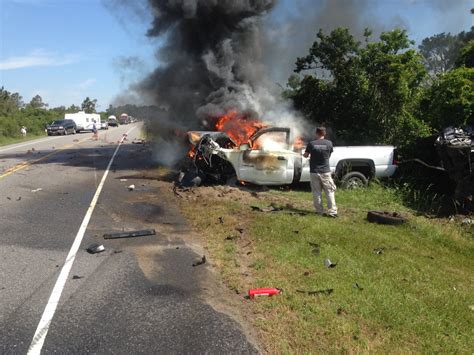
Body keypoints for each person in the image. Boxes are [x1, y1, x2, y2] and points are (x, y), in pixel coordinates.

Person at [303, 127, 338, 217]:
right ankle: (332, 212)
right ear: (324, 134)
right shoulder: (329, 143)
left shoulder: (311, 144)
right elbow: (328, 155)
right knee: (329, 191)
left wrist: (306, 154)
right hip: (325, 171)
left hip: (314, 172)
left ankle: (319, 211)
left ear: (316, 133)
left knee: (316, 192)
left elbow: (306, 156)